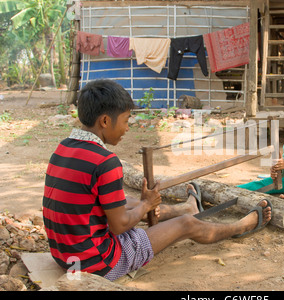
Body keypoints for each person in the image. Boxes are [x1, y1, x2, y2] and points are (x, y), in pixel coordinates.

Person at [42, 79, 272, 282]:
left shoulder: (63, 148)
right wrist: (146, 205)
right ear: (104, 121)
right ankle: (241, 226)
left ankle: (187, 207)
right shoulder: (105, 162)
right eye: (125, 120)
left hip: (66, 257)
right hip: (97, 265)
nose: (127, 128)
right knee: (185, 225)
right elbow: (119, 226)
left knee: (127, 202)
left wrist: (142, 204)